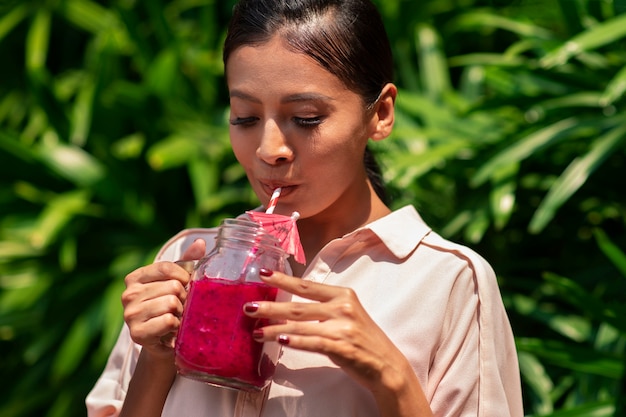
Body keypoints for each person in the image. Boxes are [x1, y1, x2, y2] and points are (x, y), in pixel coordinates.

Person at [86, 0, 524, 416]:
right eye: (244, 117)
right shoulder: (189, 262)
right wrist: (158, 357)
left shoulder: (448, 283)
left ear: (381, 113)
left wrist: (392, 377)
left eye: (307, 117)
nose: (269, 148)